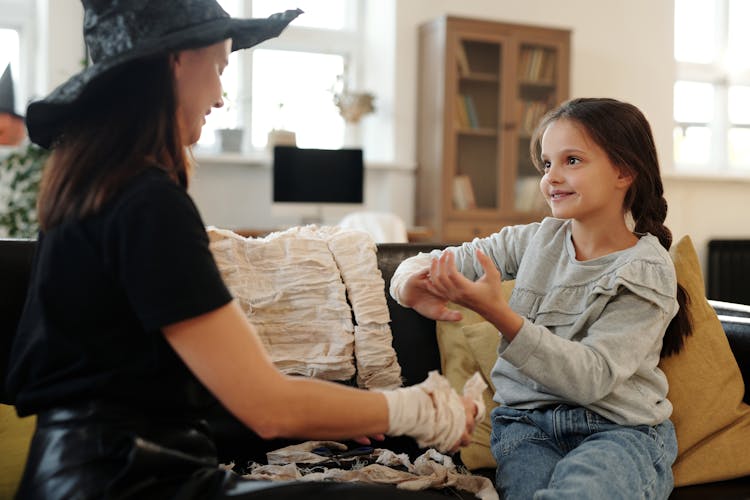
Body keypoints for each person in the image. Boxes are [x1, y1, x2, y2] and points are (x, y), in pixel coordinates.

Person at [5, 2, 480, 499]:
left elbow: (158, 386)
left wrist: (332, 410)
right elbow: (268, 407)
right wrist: (423, 410)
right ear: (175, 60)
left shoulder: (97, 188)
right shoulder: (146, 202)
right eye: (218, 68)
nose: (219, 95)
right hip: (127, 483)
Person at [390, 97, 693, 499]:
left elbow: (591, 377)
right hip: (526, 429)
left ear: (624, 171)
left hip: (620, 433)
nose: (551, 177)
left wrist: (499, 315)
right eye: (547, 163)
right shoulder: (534, 240)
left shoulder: (646, 269)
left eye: (572, 160)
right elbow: (432, 260)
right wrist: (410, 284)